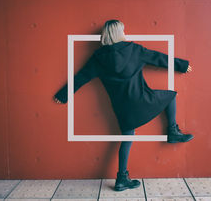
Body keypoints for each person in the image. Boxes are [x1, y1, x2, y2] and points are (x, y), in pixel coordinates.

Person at [53, 19, 193, 192]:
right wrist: (183, 65)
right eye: (123, 30)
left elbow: (80, 78)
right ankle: (173, 132)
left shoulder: (98, 59)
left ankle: (121, 179)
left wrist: (63, 95)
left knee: (127, 139)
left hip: (123, 110)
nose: (125, 33)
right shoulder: (134, 50)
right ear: (119, 33)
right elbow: (159, 58)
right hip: (143, 101)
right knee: (171, 96)